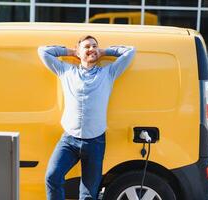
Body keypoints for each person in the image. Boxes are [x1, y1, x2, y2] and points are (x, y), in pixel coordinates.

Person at [38, 35, 136, 200]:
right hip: (69, 141)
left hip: (95, 142)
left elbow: (130, 51)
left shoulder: (109, 72)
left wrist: (104, 51)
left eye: (94, 46)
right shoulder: (66, 70)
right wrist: (70, 51)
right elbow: (43, 51)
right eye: (87, 47)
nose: (92, 49)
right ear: (78, 51)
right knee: (52, 177)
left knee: (88, 194)